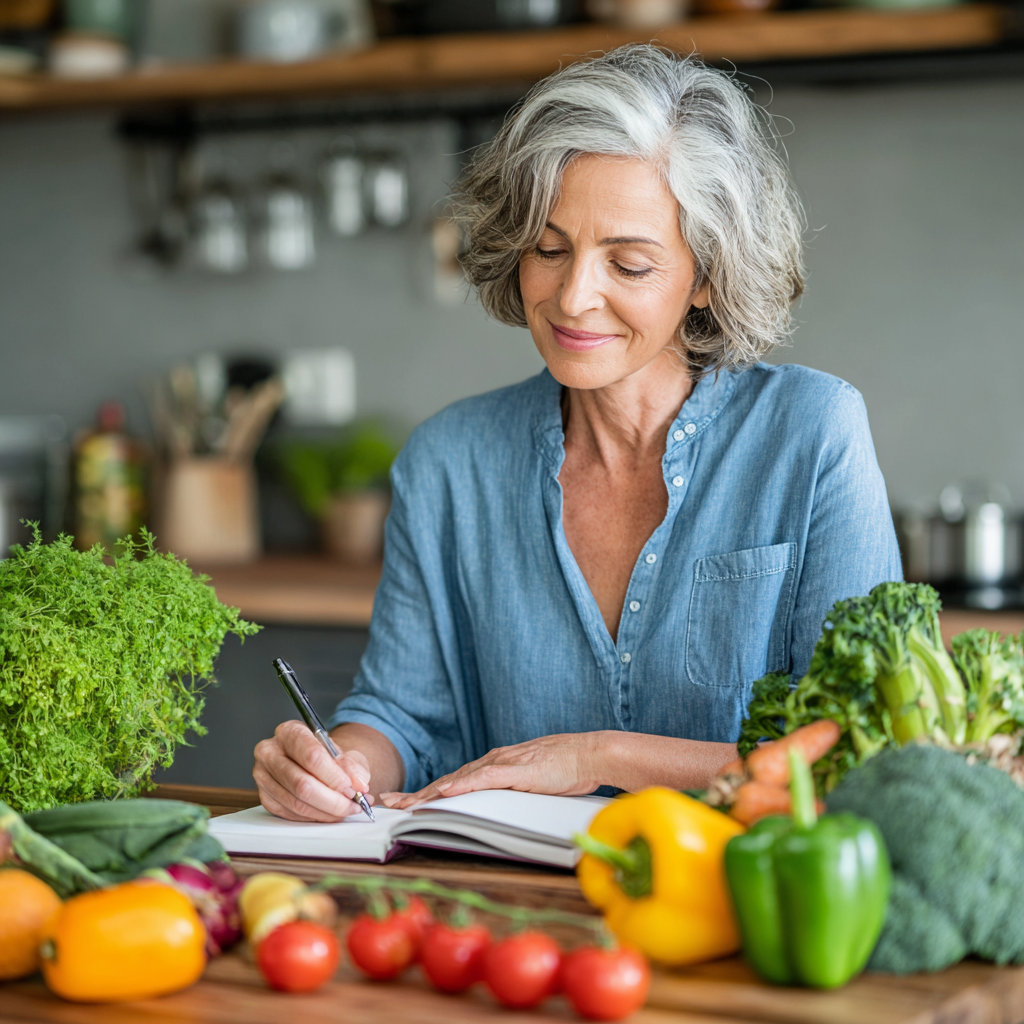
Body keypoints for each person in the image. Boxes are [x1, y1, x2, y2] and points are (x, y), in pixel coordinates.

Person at [253, 44, 901, 822]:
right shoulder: (449, 461)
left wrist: (599, 757)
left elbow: (860, 748)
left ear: (704, 277)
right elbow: (402, 715)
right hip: (510, 916)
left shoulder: (812, 432)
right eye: (549, 249)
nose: (572, 297)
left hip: (744, 904)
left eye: (627, 264)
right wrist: (342, 761)